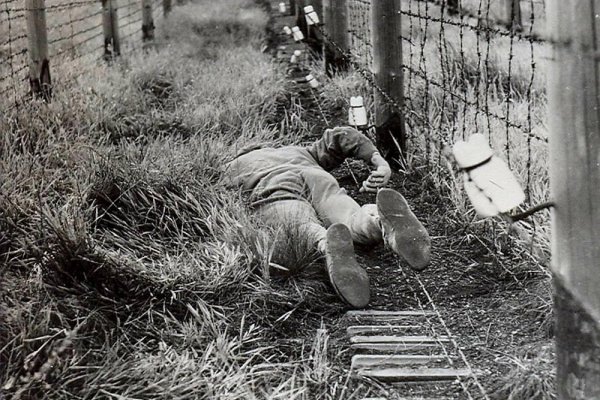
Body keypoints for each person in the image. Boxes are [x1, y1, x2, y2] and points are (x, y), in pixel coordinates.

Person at [226, 126, 431, 308]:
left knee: (298, 222)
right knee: (347, 214)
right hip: (314, 175)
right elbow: (341, 135)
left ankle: (325, 244)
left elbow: (215, 197)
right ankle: (378, 220)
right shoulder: (297, 151)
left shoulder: (232, 166)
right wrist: (380, 163)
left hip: (273, 185)